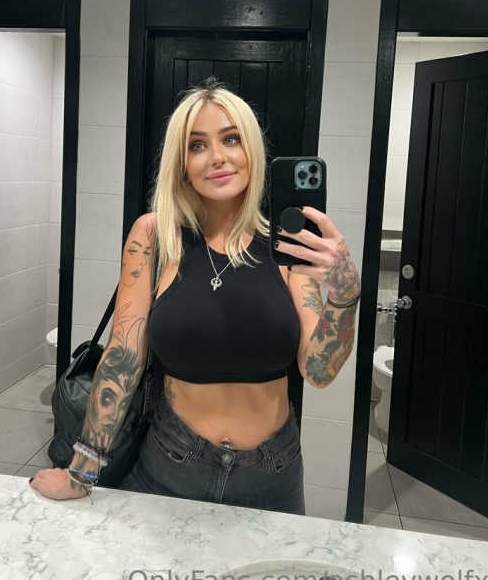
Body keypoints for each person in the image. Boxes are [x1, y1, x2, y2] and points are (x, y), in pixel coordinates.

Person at [30, 78, 361, 514]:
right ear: (182, 164)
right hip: (171, 462)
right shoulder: (155, 236)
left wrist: (345, 293)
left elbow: (318, 371)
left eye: (231, 139)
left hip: (273, 474)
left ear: (251, 151)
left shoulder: (286, 246)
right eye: (197, 145)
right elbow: (123, 357)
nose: (217, 157)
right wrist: (81, 472)